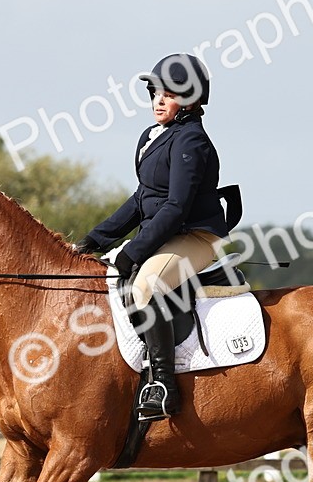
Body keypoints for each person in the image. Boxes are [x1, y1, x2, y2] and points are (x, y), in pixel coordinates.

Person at [74, 53, 238, 421]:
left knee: (146, 284)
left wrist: (135, 250)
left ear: (192, 101)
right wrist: (94, 240)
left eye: (169, 94)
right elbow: (141, 199)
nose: (158, 101)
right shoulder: (152, 138)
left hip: (194, 236)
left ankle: (163, 384)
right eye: (156, 93)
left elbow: (177, 206)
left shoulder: (191, 142)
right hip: (165, 231)